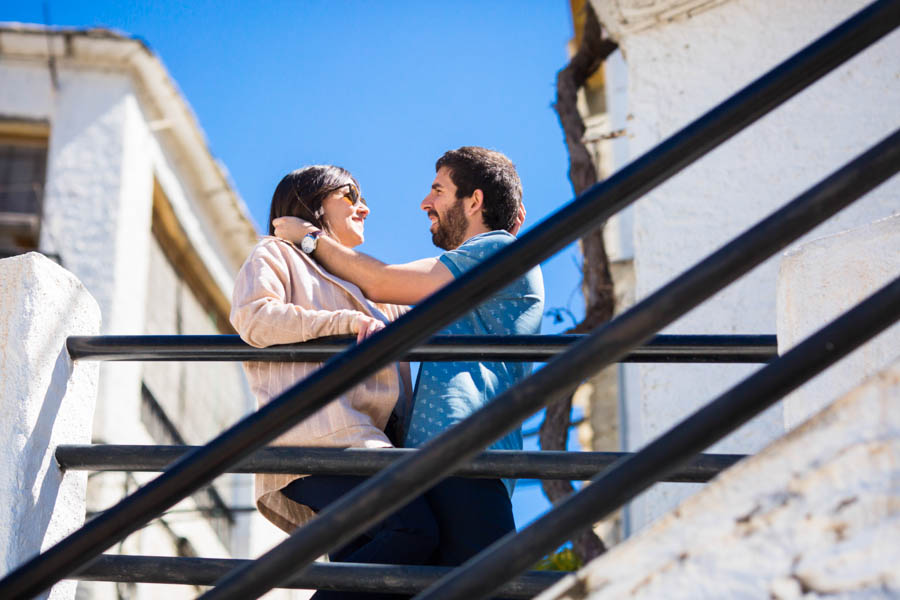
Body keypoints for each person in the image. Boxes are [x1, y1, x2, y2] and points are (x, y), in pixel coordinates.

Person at [273, 146, 545, 566]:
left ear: (474, 201)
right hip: (439, 459)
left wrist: (310, 238)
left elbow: (380, 282)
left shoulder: (498, 249)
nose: (425, 202)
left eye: (438, 189)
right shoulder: (472, 272)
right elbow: (379, 299)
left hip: (464, 449)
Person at [230, 165, 438, 600]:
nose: (364, 207)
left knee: (367, 577)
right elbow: (254, 318)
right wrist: (345, 324)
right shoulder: (275, 254)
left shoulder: (374, 290)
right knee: (413, 531)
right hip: (311, 444)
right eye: (349, 195)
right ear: (313, 202)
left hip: (364, 443)